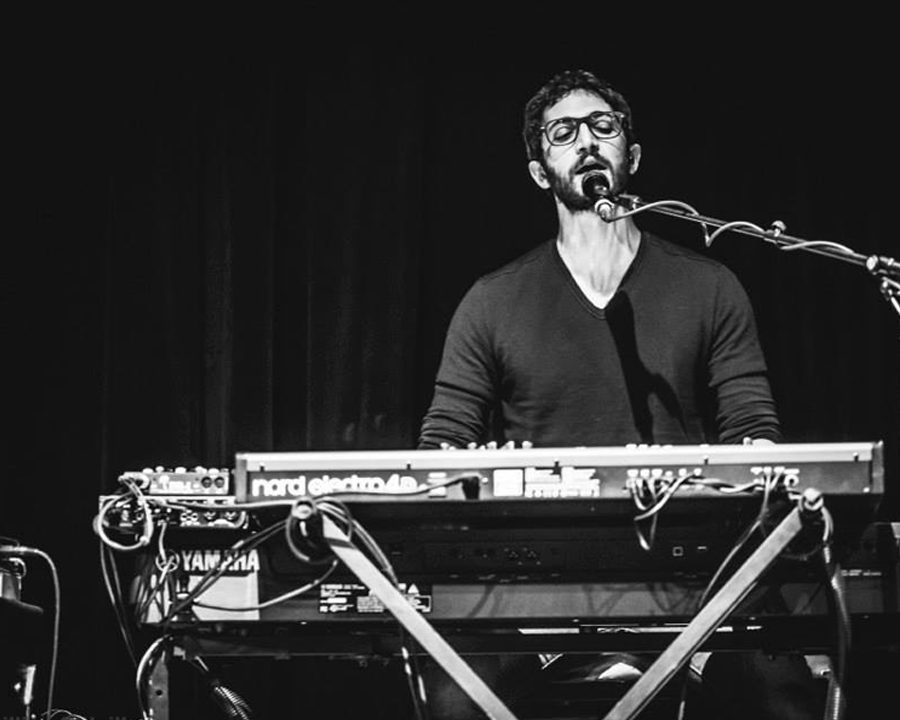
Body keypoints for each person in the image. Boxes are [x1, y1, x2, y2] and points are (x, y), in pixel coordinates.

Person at [416, 69, 820, 719]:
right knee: (453, 704)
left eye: (602, 127)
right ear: (539, 171)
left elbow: (755, 433)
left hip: (696, 591)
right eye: (563, 133)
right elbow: (441, 448)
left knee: (785, 698)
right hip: (538, 597)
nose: (586, 142)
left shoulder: (709, 287)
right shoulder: (491, 302)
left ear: (631, 155)